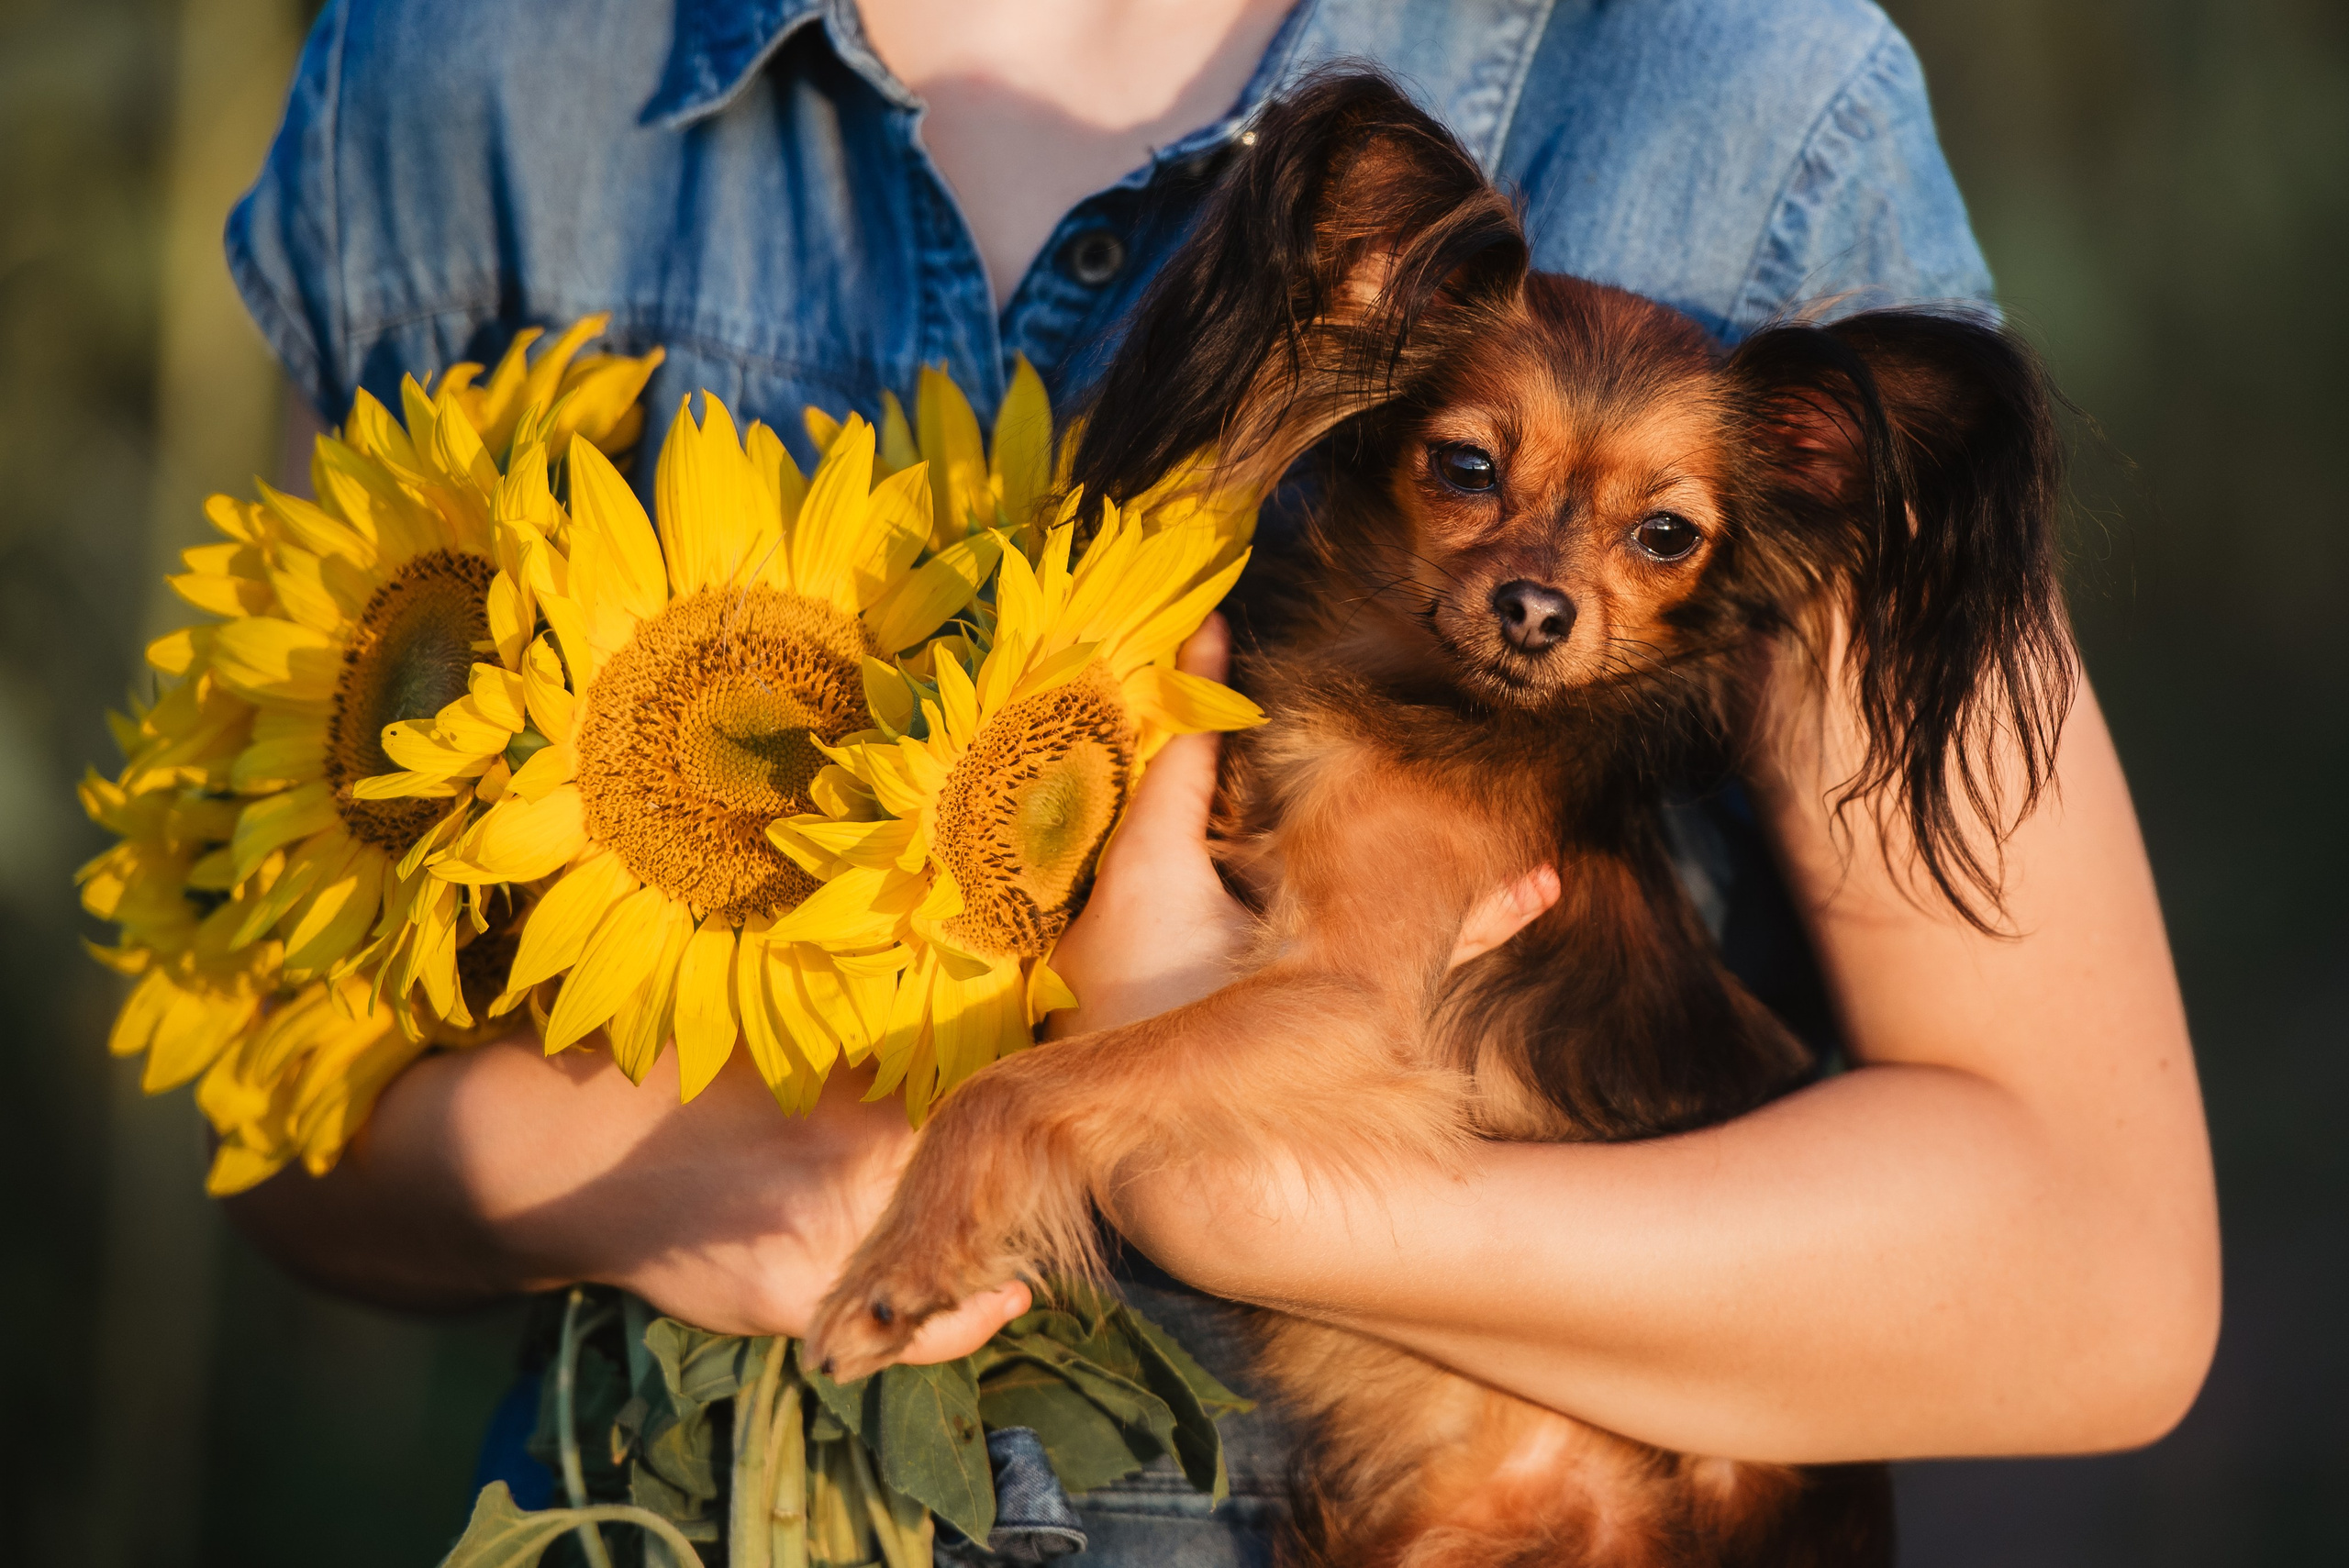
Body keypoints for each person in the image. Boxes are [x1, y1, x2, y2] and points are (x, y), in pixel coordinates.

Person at [223, 0, 2219, 1559]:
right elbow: (272, 1104)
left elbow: (2094, 1283)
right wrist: (634, 1175)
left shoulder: (1733, 104)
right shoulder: (475, 69)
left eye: (1644, 542)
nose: (1540, 581)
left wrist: (1230, 1195)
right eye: (1466, 473)